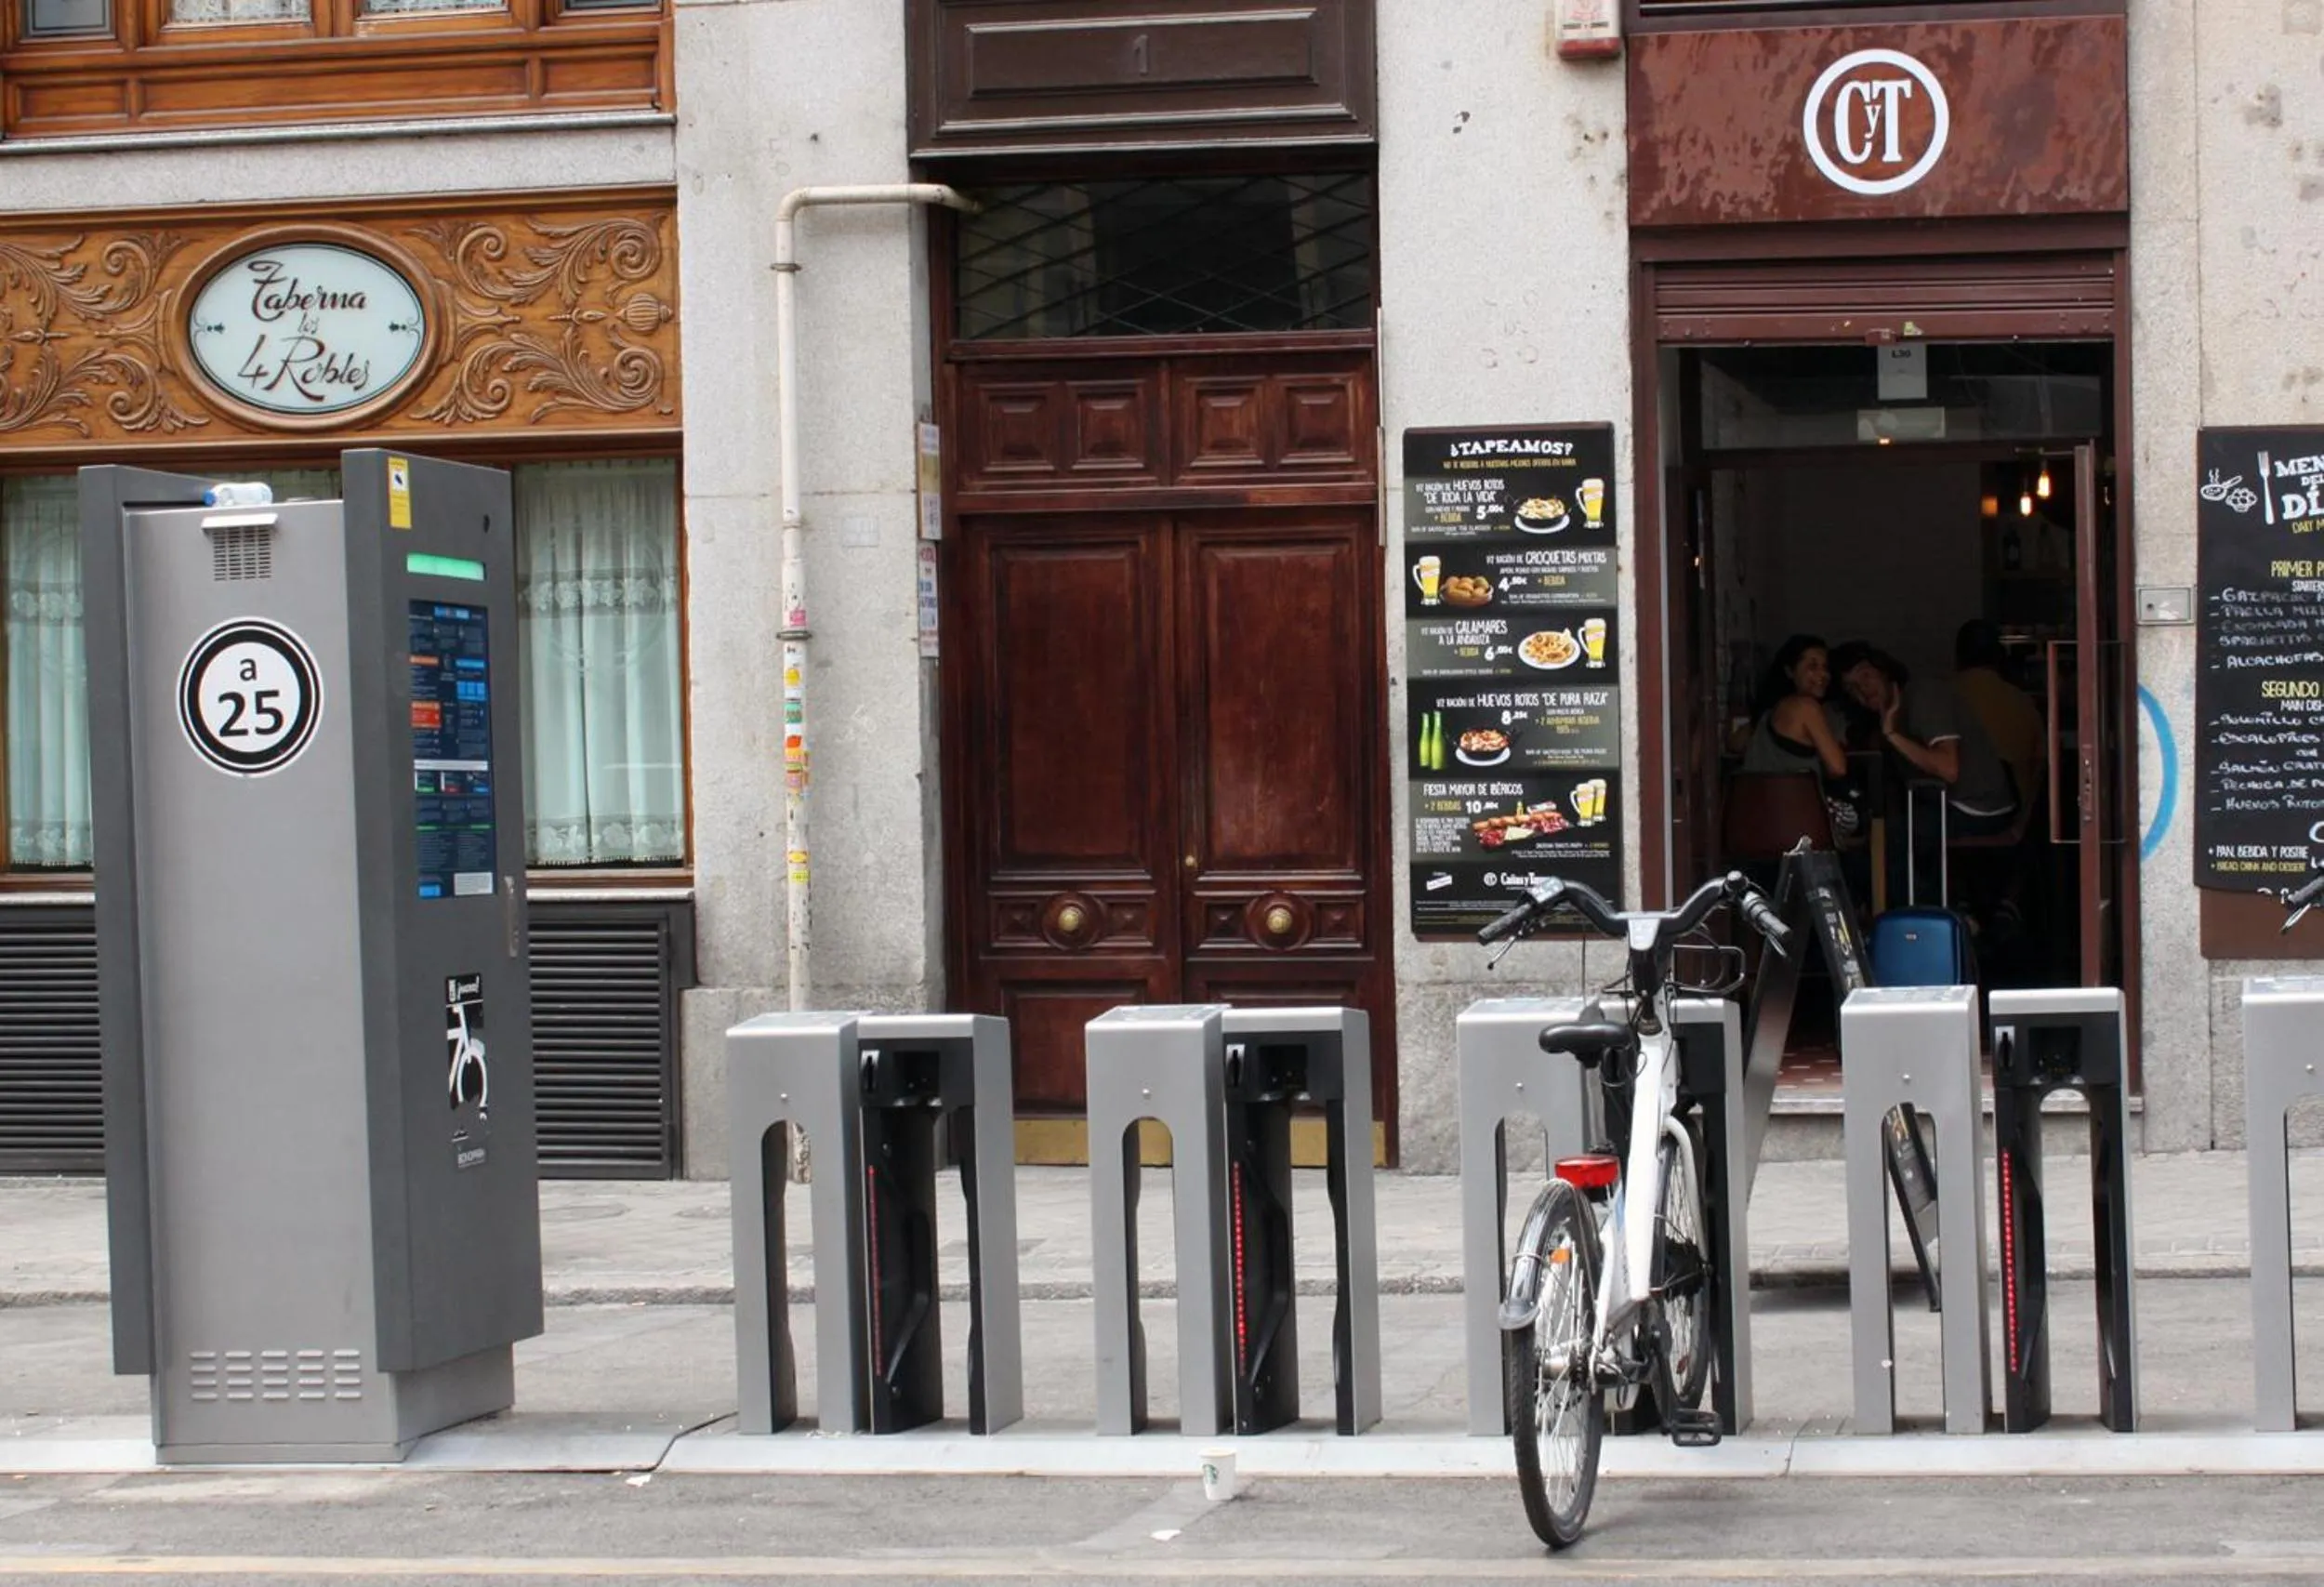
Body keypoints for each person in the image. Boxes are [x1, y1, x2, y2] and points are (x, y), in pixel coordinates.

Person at [1829, 641, 2017, 839]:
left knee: (1890, 836)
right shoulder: (1885, 717)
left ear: (1884, 671)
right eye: (1852, 687)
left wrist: (1893, 736)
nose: (1862, 688)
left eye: (1866, 675)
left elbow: (1948, 769)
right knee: (1870, 826)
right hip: (1942, 803)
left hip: (1979, 807)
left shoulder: (1924, 695)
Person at [1740, 633, 1862, 839]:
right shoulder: (1807, 707)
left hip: (1757, 824)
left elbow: (1734, 743)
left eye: (1825, 667)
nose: (1823, 674)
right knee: (1858, 815)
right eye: (1812, 666)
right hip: (1800, 822)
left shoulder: (1767, 714)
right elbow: (1838, 767)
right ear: (1790, 671)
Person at [1951, 619, 2043, 828]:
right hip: (2013, 818)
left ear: (1958, 656)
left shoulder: (1944, 697)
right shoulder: (2023, 701)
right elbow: (2040, 765)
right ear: (1999, 656)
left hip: (1958, 815)